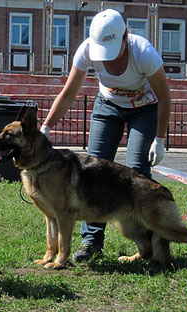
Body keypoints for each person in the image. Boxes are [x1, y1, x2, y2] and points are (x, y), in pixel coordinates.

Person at [40, 9, 172, 262]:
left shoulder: (144, 53)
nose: (108, 61)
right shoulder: (87, 50)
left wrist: (160, 139)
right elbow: (68, 94)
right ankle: (91, 242)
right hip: (107, 108)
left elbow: (165, 98)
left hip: (144, 110)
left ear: (125, 38)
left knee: (138, 172)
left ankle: (146, 245)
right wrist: (47, 126)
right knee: (93, 171)